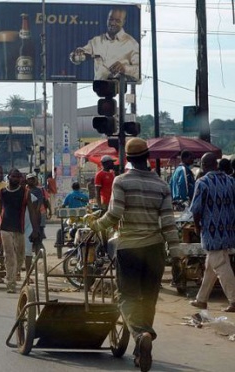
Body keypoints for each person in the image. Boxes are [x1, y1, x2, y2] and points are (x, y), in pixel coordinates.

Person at [89, 138, 179, 371]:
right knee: (149, 297)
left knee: (127, 297)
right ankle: (144, 338)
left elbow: (114, 214)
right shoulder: (162, 184)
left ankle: (140, 334)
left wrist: (95, 225)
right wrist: (176, 251)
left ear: (127, 159)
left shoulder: (121, 181)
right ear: (148, 158)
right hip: (155, 248)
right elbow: (169, 223)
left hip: (129, 247)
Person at [189, 152, 235, 313]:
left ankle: (234, 299)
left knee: (220, 264)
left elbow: (196, 209)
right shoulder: (230, 181)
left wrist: (197, 226)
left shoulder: (202, 182)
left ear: (203, 165)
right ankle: (201, 299)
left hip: (211, 229)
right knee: (212, 264)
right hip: (228, 229)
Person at [0, 169, 38, 293]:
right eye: (13, 176)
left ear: (20, 179)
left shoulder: (26, 193)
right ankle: (11, 283)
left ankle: (14, 274)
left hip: (19, 229)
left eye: (18, 177)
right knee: (10, 256)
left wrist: (35, 230)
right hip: (5, 228)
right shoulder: (1, 193)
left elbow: (32, 212)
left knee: (20, 256)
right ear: (8, 177)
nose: (16, 179)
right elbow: (0, 211)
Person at [69, 8, 140, 81]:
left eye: (117, 21)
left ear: (123, 22)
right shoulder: (96, 41)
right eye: (110, 19)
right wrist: (77, 54)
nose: (112, 23)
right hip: (98, 88)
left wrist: (125, 68)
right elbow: (77, 56)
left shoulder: (131, 43)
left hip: (119, 89)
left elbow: (139, 71)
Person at [24, 173, 46, 280]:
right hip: (23, 221)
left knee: (37, 239)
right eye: (29, 179)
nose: (31, 181)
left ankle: (38, 252)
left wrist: (36, 218)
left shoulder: (38, 191)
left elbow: (39, 204)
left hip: (36, 219)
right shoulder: (24, 190)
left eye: (33, 179)